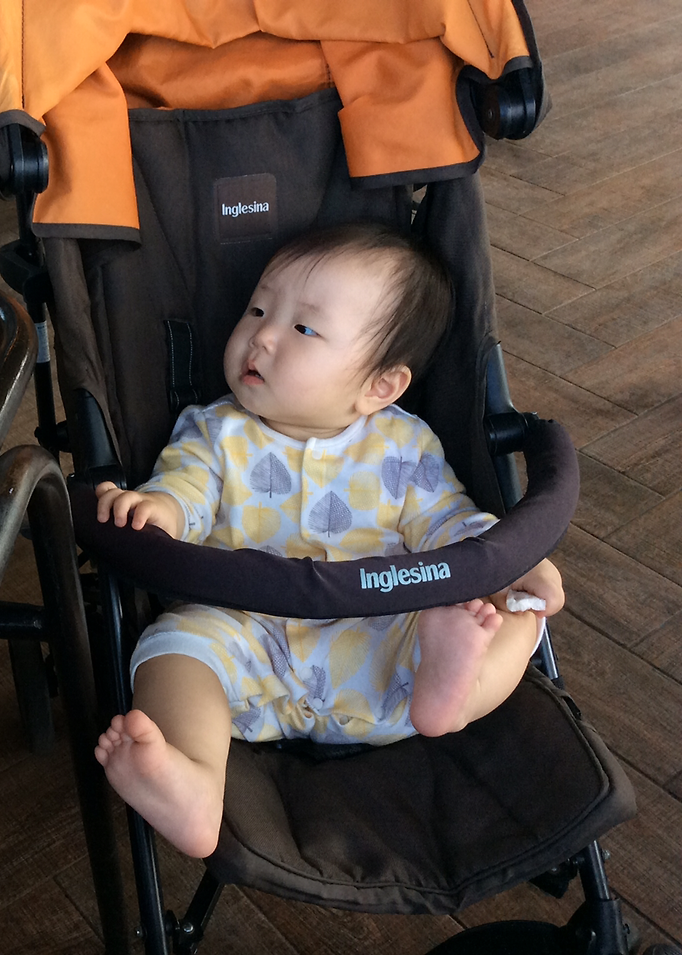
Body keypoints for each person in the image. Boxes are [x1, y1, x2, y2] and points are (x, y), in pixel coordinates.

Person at [92, 222, 564, 859]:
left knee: (519, 614)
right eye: (258, 310)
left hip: (386, 644)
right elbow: (186, 492)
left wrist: (509, 561)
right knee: (173, 648)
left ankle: (452, 696)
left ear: (379, 387)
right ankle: (194, 782)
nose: (262, 335)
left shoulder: (403, 445)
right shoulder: (216, 431)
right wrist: (156, 510)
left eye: (303, 328)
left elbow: (447, 523)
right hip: (249, 637)